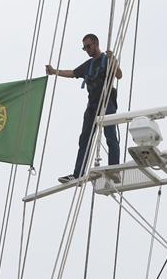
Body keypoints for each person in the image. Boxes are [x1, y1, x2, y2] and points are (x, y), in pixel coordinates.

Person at [46, 33, 124, 182]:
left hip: (106, 104)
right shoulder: (88, 65)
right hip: (92, 106)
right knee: (84, 140)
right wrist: (55, 71)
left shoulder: (106, 60)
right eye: (84, 48)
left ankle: (114, 169)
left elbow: (119, 75)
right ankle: (78, 173)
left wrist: (113, 59)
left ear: (96, 43)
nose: (87, 49)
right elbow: (73, 73)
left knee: (110, 135)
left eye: (88, 46)